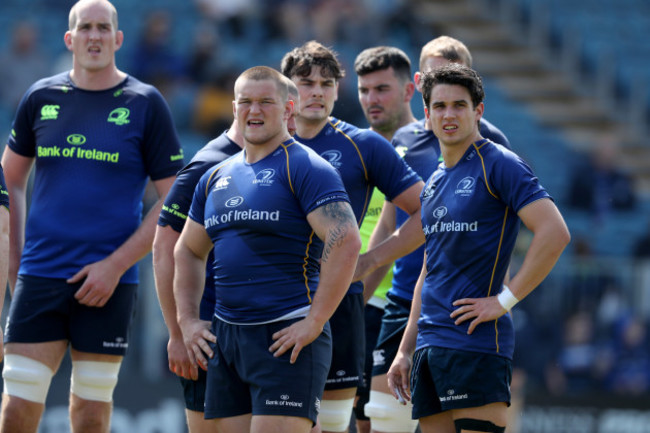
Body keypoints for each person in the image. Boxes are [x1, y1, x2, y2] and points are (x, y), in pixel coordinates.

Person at [0, 1, 184, 432]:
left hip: (108, 284)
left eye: (104, 28)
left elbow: (174, 198)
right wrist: (17, 266)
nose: (95, 36)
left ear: (118, 39)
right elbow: (9, 185)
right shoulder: (40, 96)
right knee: (16, 410)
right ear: (70, 39)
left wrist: (115, 266)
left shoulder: (146, 102)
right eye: (85, 28)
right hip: (40, 275)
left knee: (90, 413)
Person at [173, 65, 361, 433]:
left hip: (285, 338)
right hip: (227, 340)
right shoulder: (215, 176)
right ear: (233, 108)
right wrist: (187, 321)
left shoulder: (307, 168)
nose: (253, 111)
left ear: (289, 109)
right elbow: (187, 251)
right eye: (245, 102)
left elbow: (346, 240)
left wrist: (315, 320)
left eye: (265, 102)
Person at [387, 63, 570, 433]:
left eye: (459, 105)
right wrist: (405, 350)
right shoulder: (436, 180)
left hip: (476, 346)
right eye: (439, 106)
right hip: (429, 345)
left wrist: (503, 301)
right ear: (427, 113)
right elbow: (428, 270)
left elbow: (555, 232)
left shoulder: (500, 164)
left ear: (478, 111)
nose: (449, 114)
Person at [362, 35, 513, 433]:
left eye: (454, 94)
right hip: (407, 302)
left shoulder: (491, 147)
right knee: (377, 418)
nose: (443, 102)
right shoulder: (407, 146)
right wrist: (363, 283)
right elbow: (393, 226)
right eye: (432, 81)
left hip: (464, 312)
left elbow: (514, 229)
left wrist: (503, 297)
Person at [280, 40, 425, 433]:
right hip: (273, 306)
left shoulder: (363, 146)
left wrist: (373, 260)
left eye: (327, 84)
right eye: (306, 82)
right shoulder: (260, 142)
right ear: (287, 88)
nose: (317, 92)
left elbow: (429, 212)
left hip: (341, 306)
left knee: (333, 426)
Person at [152, 78, 300, 433]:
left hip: (265, 334)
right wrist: (178, 330)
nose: (294, 128)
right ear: (239, 108)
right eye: (253, 102)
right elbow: (165, 248)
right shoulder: (209, 164)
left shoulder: (281, 163)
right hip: (210, 339)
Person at [351, 46, 418, 433]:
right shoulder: (353, 148)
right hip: (361, 300)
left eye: (382, 89)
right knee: (360, 420)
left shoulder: (433, 146)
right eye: (364, 90)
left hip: (410, 303)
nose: (371, 100)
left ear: (410, 90)